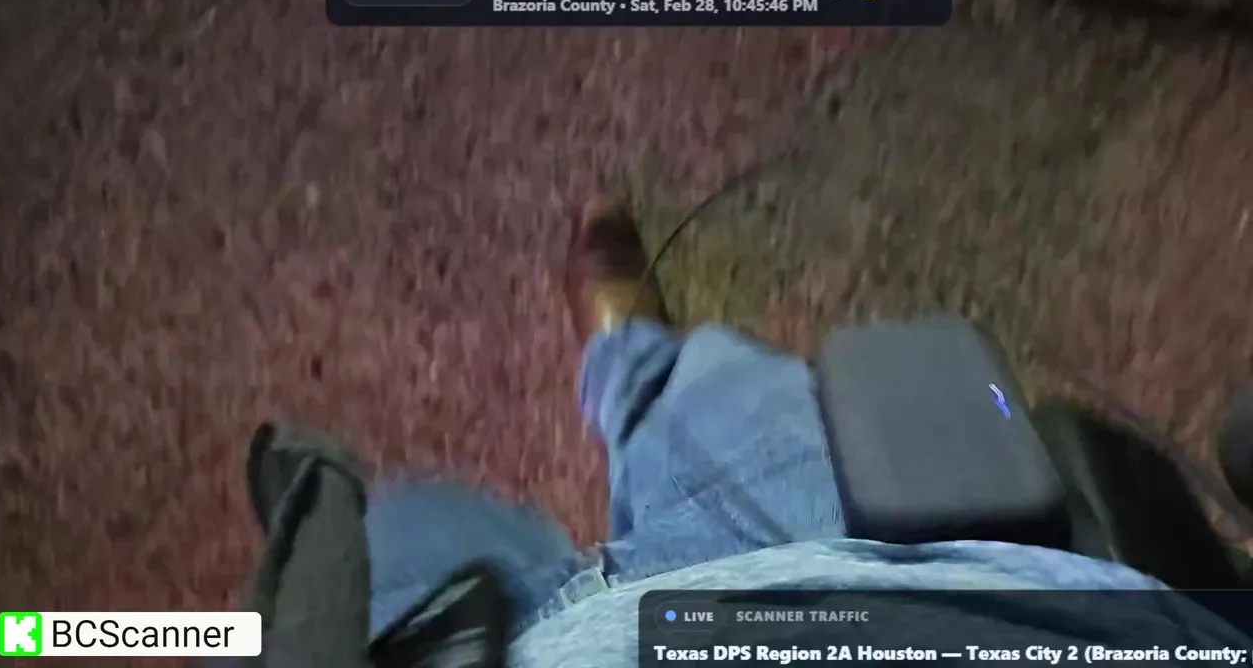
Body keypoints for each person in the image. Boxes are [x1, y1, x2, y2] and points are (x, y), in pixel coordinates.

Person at [363, 200, 1248, 666]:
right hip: (875, 585)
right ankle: (633, 363)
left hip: (490, 632)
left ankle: (626, 363)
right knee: (712, 399)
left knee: (400, 534)